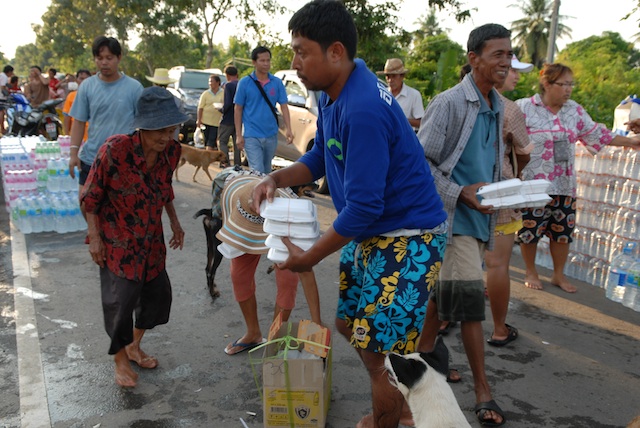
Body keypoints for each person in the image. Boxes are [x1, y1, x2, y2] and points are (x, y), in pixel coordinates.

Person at [250, 2, 448, 427]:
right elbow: (323, 153)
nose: (295, 63)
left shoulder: (363, 107)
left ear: (335, 51)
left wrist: (308, 258)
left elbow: (362, 208)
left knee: (384, 353)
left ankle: (389, 412)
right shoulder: (333, 95)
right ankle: (397, 398)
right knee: (346, 324)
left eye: (302, 52)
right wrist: (276, 178)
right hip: (373, 232)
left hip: (408, 237)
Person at [417, 23, 513, 426]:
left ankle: (420, 361)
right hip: (450, 218)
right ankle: (482, 391)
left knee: (444, 298)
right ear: (474, 59)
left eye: (509, 55)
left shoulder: (499, 105)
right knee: (470, 303)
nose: (506, 63)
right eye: (498, 55)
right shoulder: (450, 103)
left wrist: (502, 193)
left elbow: (485, 166)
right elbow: (419, 165)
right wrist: (462, 194)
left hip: (477, 220)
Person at [81, 86, 186, 388]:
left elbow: (165, 190)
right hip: (117, 240)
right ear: (142, 127)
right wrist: (95, 236)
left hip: (151, 238)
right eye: (159, 131)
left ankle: (133, 344)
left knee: (158, 296)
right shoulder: (115, 150)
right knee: (121, 302)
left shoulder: (172, 152)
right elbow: (90, 197)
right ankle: (120, 361)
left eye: (171, 129)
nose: (166, 137)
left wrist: (175, 224)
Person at [515, 63, 640, 293]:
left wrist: (632, 141)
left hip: (564, 184)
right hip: (533, 183)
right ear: (546, 83)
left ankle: (558, 275)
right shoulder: (524, 108)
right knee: (531, 229)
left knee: (562, 232)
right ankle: (531, 271)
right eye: (563, 84)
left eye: (571, 84)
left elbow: (597, 134)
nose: (568, 90)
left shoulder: (574, 111)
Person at [215, 172, 321, 355]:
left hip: (282, 226)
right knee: (238, 276)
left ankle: (275, 338)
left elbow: (306, 273)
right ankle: (253, 333)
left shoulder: (290, 215)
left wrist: (318, 322)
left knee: (288, 282)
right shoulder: (239, 202)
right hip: (246, 225)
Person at [484, 55, 533, 347]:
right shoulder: (510, 109)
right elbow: (525, 151)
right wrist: (515, 172)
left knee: (456, 261)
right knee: (498, 265)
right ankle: (500, 329)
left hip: (465, 191)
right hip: (501, 194)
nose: (515, 76)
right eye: (512, 70)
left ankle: (441, 320)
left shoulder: (459, 101)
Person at [68, 36, 143, 196]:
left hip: (123, 162)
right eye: (99, 58)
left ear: (119, 58)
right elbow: (79, 122)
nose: (104, 62)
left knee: (120, 210)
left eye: (109, 58)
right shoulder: (87, 86)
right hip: (91, 159)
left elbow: (143, 126)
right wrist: (73, 154)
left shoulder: (134, 88)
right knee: (87, 204)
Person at [234, 46, 294, 173]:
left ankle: (261, 193)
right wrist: (239, 135)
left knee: (266, 171)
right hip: (251, 134)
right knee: (257, 170)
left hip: (271, 134)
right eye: (262, 60)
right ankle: (255, 192)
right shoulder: (245, 83)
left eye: (268, 60)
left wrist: (289, 129)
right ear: (254, 62)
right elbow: (238, 108)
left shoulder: (276, 83)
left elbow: (284, 106)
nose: (266, 64)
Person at [377, 58, 424, 131]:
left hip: (406, 138)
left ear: (402, 76)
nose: (390, 80)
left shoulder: (414, 95)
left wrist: (400, 119)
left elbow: (421, 122)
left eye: (394, 76)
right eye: (388, 76)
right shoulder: (381, 94)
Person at [218, 65, 240, 167]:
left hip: (228, 119)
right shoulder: (241, 84)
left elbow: (227, 103)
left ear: (227, 75)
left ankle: (225, 162)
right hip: (239, 119)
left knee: (222, 141)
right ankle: (237, 164)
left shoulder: (229, 86)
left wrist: (221, 110)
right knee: (237, 144)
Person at [197, 74, 224, 151]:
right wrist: (199, 120)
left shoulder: (223, 93)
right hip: (205, 121)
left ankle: (208, 157)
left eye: (211, 81)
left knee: (211, 140)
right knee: (206, 140)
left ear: (218, 82)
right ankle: (208, 156)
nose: (210, 83)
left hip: (217, 122)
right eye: (209, 81)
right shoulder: (205, 93)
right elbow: (200, 107)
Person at [62, 69, 91, 137]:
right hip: (76, 134)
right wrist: (67, 135)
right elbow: (67, 117)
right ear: (76, 80)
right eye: (81, 78)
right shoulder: (71, 96)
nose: (84, 81)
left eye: (87, 79)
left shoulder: (96, 95)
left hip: (92, 134)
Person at [0, 65, 15, 135]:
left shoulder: (2, 75)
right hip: (1, 97)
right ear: (9, 72)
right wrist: (7, 94)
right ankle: (2, 129)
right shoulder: (4, 77)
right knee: (2, 112)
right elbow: (3, 87)